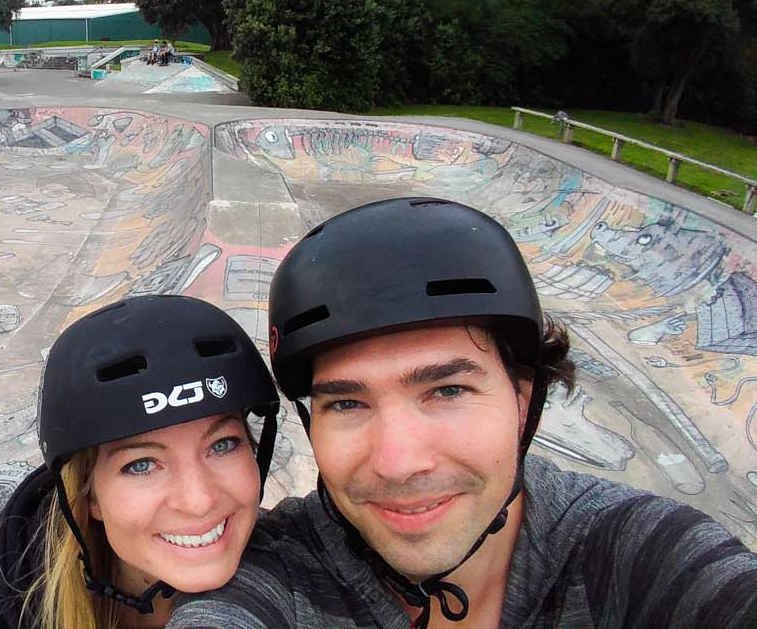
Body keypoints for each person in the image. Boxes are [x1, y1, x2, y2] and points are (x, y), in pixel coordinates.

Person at [169, 197, 757, 628]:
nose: (398, 463)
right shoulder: (276, 570)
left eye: (447, 391)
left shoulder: (634, 553)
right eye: (347, 402)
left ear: (524, 401)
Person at [0, 294, 281, 628]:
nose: (199, 502)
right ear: (89, 497)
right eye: (141, 465)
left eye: (222, 445)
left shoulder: (302, 578)